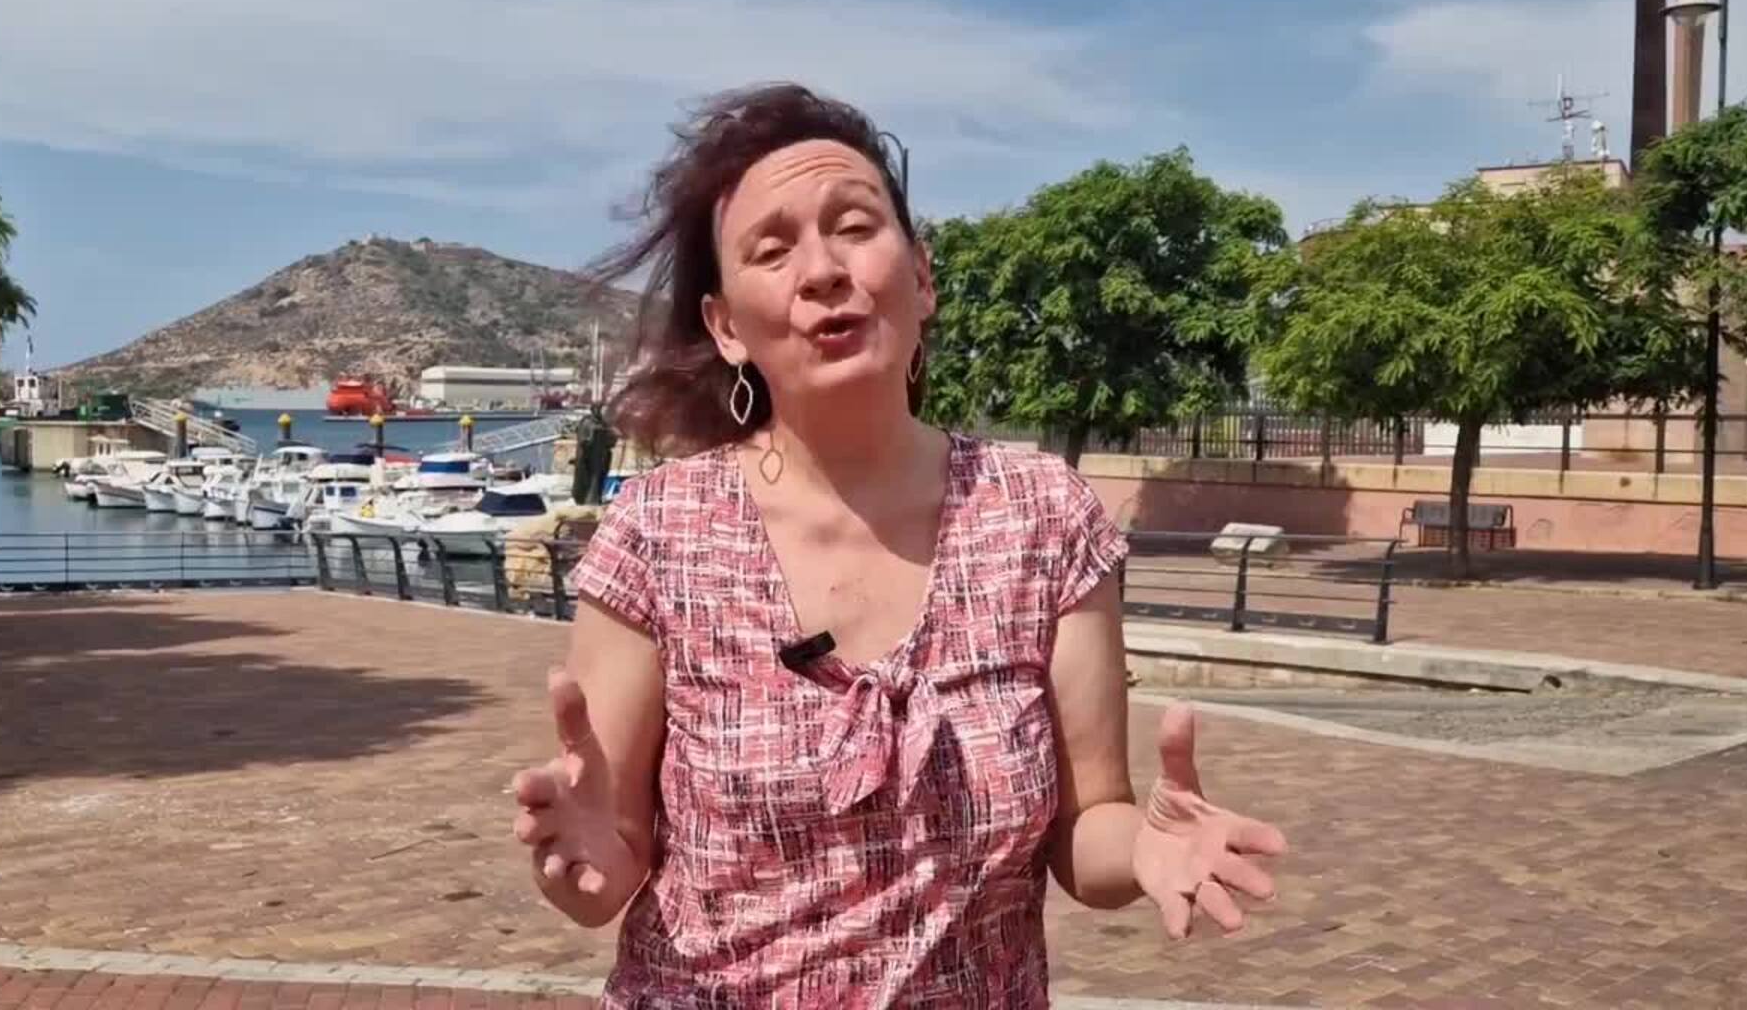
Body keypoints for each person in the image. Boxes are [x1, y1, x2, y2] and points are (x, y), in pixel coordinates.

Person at [511, 83, 1286, 1008]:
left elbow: (1090, 829)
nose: (823, 270)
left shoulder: (1042, 518)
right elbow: (610, 859)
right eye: (772, 250)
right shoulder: (659, 533)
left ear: (921, 278)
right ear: (726, 328)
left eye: (854, 227)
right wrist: (583, 860)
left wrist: (1146, 847)